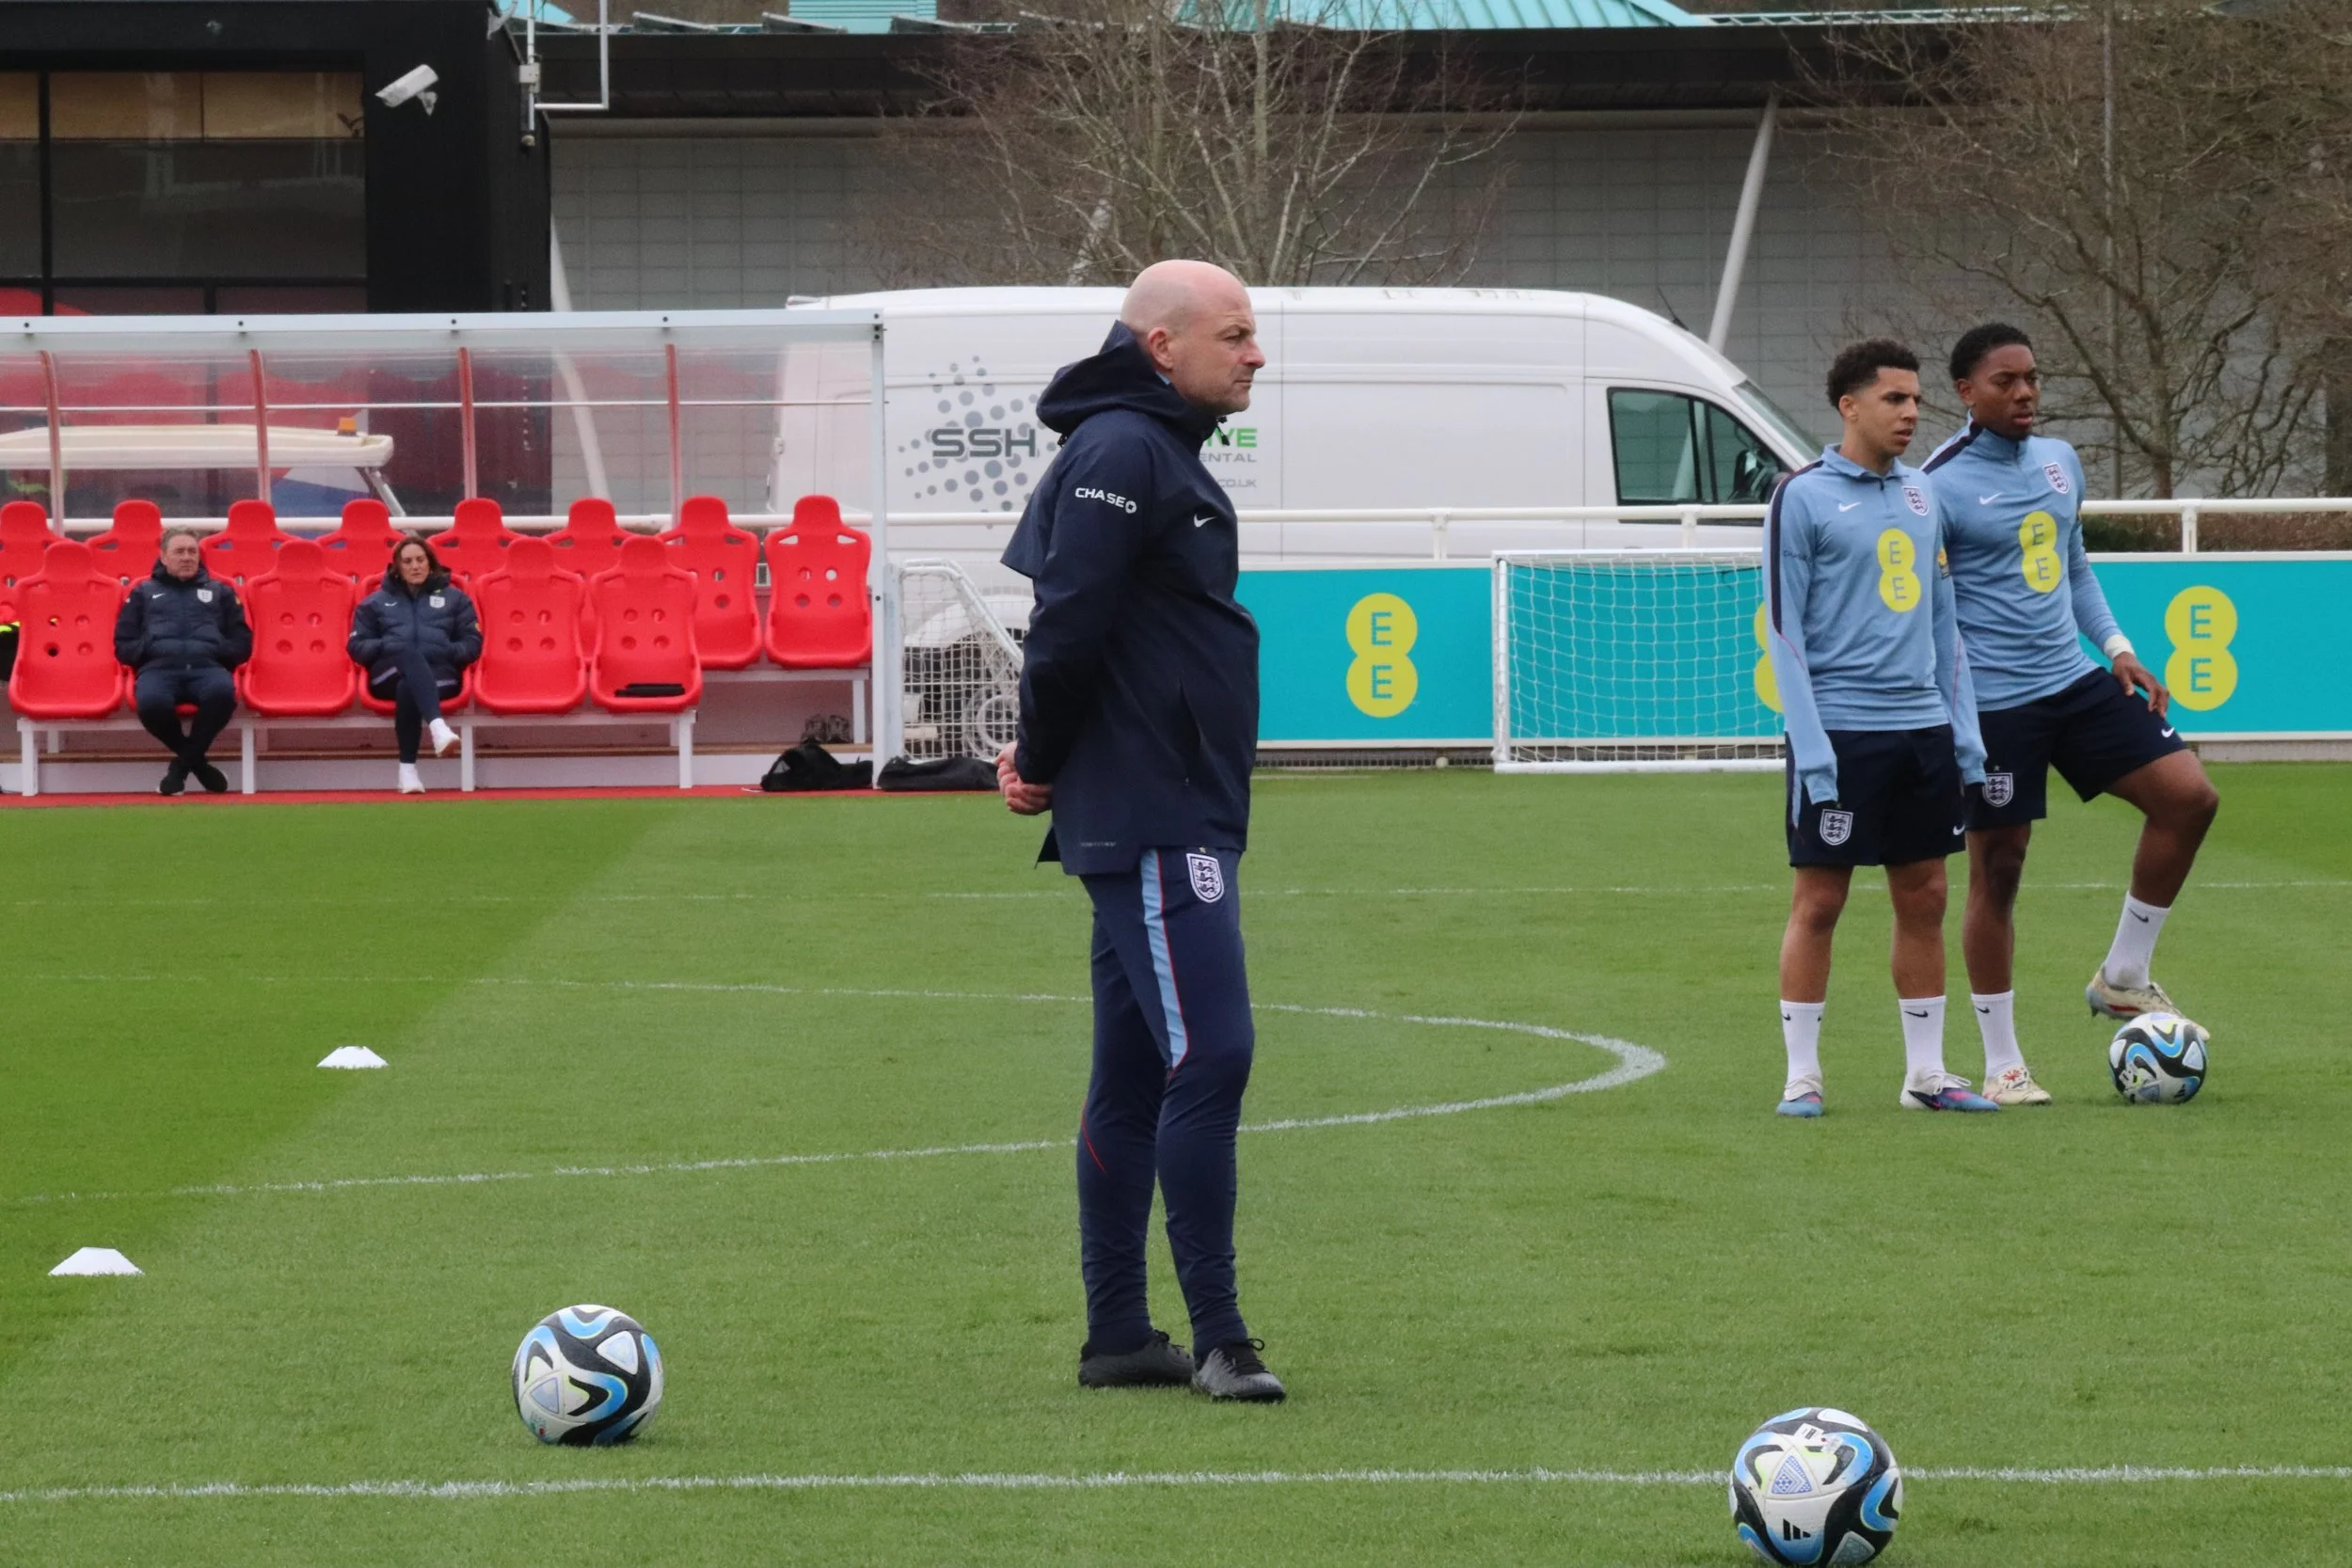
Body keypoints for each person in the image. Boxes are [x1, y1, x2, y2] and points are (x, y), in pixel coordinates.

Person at [993, 260, 1283, 1402]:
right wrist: (1039, 755)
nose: (1255, 354)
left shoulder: (1151, 447)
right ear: (1162, 345)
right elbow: (1065, 620)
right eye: (1235, 334)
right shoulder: (1122, 449)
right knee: (1211, 1052)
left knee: (1130, 1068)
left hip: (1167, 803)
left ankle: (1119, 1331)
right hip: (1155, 810)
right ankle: (1222, 1335)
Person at [1925, 324, 2219, 1101]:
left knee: (2189, 797)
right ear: (1966, 392)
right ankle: (2003, 1063)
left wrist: (2117, 647)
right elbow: (1930, 610)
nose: (2025, 393)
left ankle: (2124, 973)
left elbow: (2074, 566)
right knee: (1999, 870)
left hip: (2075, 680)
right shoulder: (1936, 486)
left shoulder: (2060, 461)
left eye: (2032, 378)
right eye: (2006, 382)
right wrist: (1949, 714)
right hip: (1995, 705)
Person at [1766, 339, 1998, 1117]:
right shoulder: (1801, 496)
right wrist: (1813, 750)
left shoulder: (1925, 495)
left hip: (1922, 730)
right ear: (1850, 405)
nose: (1911, 413)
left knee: (1926, 894)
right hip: (1841, 733)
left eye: (1916, 399)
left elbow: (1946, 625)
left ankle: (1926, 1075)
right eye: (1894, 398)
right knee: (1820, 901)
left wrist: (1964, 735)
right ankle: (1803, 1076)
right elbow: (1784, 632)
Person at [113, 525, 250, 795]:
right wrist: (150, 649)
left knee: (223, 694)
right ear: (164, 557)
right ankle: (199, 766)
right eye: (179, 552)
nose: (187, 557)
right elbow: (123, 643)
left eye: (192, 551)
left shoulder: (221, 592)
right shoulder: (143, 593)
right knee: (151, 704)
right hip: (158, 669)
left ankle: (180, 769)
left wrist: (217, 650)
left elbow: (242, 642)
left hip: (207, 668)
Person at [349, 535, 480, 795]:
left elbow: (473, 643)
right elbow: (356, 646)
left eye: (420, 560)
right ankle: (438, 727)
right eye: (407, 562)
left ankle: (407, 771)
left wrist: (445, 650)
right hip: (386, 674)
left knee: (408, 686)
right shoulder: (375, 602)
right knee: (406, 652)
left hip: (441, 674)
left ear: (430, 562)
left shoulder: (456, 599)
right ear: (397, 567)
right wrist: (388, 646)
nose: (415, 566)